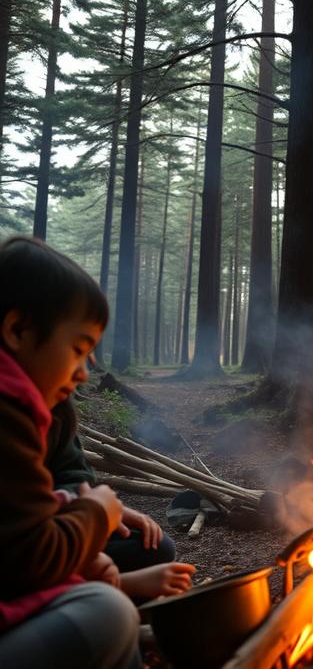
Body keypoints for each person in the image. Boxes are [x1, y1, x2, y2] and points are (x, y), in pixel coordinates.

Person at [0, 236, 141, 667]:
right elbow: (31, 556)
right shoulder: (8, 409)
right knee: (108, 612)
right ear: (18, 330)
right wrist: (96, 513)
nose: (83, 373)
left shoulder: (32, 406)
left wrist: (80, 523)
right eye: (79, 349)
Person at [46, 397, 192, 599]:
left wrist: (113, 512)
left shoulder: (53, 404)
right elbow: (25, 541)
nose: (85, 369)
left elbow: (73, 472)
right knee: (116, 613)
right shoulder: (16, 413)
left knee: (155, 546)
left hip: (64, 524)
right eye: (76, 362)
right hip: (36, 549)